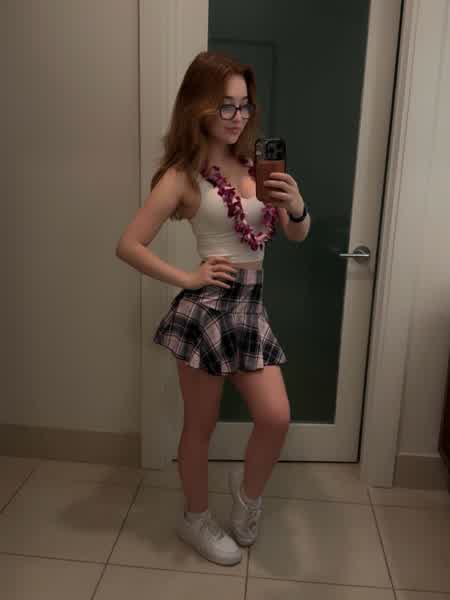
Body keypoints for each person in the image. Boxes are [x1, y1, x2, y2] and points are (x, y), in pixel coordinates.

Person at [115, 51, 310, 567]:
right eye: (226, 105)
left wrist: (296, 206)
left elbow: (294, 234)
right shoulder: (182, 176)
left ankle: (247, 500)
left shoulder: (255, 166)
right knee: (199, 425)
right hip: (207, 312)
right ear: (198, 106)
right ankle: (195, 518)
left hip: (251, 308)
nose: (237, 117)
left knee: (275, 417)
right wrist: (188, 278)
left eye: (244, 106)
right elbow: (128, 244)